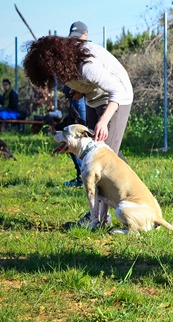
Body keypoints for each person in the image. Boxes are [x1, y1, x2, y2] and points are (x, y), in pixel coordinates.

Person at [23, 32, 134, 227]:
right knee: (95, 154)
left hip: (117, 98)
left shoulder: (86, 66)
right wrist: (79, 91)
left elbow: (118, 90)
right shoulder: (63, 69)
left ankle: (100, 219)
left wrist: (103, 121)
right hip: (94, 99)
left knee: (103, 162)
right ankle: (120, 205)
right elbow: (82, 85)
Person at [63, 22, 90, 188]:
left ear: (86, 35)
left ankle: (85, 177)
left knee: (82, 134)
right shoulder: (69, 52)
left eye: (79, 37)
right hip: (74, 96)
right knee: (71, 136)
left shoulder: (90, 51)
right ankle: (81, 176)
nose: (76, 41)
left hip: (86, 99)